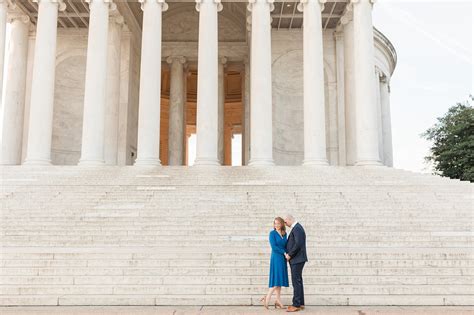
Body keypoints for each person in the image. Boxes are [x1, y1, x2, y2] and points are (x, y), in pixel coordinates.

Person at [260, 217, 289, 309]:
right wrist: (284, 252)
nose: (276, 225)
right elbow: (274, 247)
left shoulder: (285, 234)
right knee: (277, 278)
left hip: (283, 258)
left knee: (279, 280)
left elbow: (286, 245)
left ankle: (278, 300)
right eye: (275, 223)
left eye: (278, 223)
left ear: (282, 224)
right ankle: (267, 297)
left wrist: (287, 254)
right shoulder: (272, 233)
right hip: (276, 257)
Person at [284, 214, 308, 312]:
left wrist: (289, 254)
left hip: (297, 259)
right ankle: (300, 303)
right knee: (298, 281)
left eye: (285, 222)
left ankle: (296, 304)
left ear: (290, 220)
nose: (285, 224)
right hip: (298, 259)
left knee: (296, 281)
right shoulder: (297, 228)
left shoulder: (297, 228)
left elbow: (298, 244)